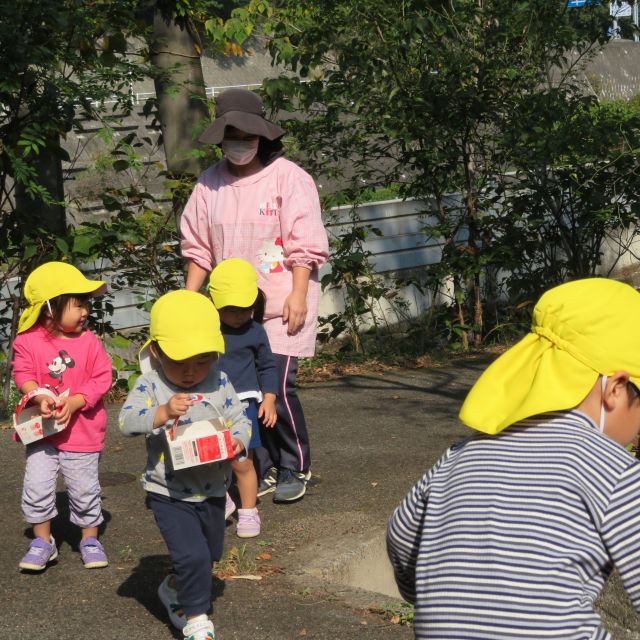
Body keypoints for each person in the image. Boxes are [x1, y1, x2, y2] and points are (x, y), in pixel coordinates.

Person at [387, 277, 640, 640]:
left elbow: (400, 537)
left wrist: (430, 599)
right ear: (614, 389)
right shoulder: (612, 471)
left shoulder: (460, 455)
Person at [180, 87, 329, 503]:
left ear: (261, 136)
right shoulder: (209, 184)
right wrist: (190, 305)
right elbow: (198, 250)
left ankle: (295, 464)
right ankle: (258, 466)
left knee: (277, 388)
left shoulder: (290, 178)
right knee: (238, 391)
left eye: (244, 134)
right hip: (230, 311)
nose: (237, 143)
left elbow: (306, 245)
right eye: (230, 135)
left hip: (282, 302)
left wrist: (298, 295)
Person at [119, 290, 251, 640]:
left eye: (202, 360)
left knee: (208, 555)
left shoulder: (219, 381)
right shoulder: (151, 384)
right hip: (169, 490)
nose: (192, 372)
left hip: (214, 488)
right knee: (192, 554)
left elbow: (239, 418)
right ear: (157, 352)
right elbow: (126, 420)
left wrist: (238, 440)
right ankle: (196, 620)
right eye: (180, 362)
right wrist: (161, 413)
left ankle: (175, 585)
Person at [11, 261, 112, 572]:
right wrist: (38, 396)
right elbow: (23, 373)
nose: (85, 311)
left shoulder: (89, 341)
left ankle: (89, 538)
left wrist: (79, 400)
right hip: (43, 431)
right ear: (51, 308)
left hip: (82, 432)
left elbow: (102, 376)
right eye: (77, 304)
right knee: (37, 485)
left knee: (84, 488)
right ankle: (43, 541)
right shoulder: (28, 340)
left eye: (85, 305)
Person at [209, 258, 278, 538]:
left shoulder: (255, 331)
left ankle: (248, 510)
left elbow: (268, 366)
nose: (238, 314)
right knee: (212, 458)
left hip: (244, 404)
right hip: (210, 404)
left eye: (244, 307)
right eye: (230, 308)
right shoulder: (208, 329)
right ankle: (220, 498)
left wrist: (269, 398)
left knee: (242, 460)